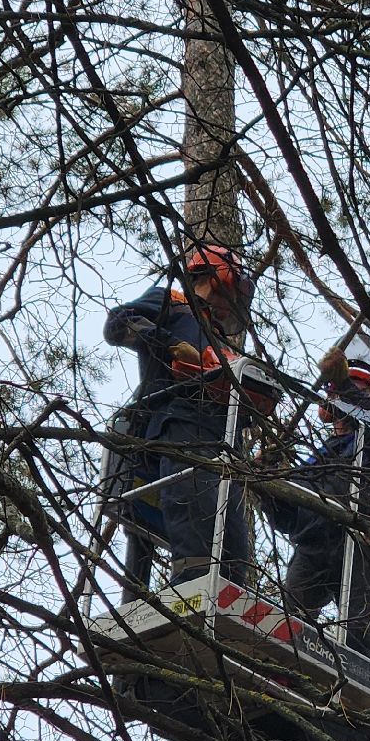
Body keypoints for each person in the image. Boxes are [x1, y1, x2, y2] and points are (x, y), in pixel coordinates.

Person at [103, 242, 262, 587]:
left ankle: (230, 593)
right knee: (195, 534)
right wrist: (168, 345)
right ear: (218, 275)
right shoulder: (172, 303)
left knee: (234, 554)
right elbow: (117, 324)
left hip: (222, 446)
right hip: (179, 430)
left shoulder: (216, 336)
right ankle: (189, 590)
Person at [264, 332, 370, 656]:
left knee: (356, 637)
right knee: (289, 625)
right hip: (314, 545)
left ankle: (356, 694)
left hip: (358, 540)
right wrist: (268, 485)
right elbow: (290, 517)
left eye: (349, 391)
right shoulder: (321, 457)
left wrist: (343, 384)